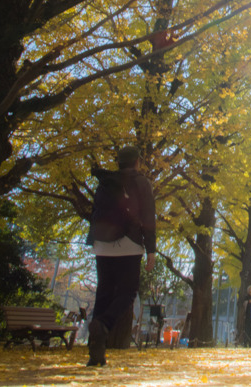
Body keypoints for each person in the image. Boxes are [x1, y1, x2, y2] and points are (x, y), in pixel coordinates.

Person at [86, 145, 157, 367]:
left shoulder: (106, 181)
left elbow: (95, 212)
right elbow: (148, 216)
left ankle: (95, 352)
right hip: (129, 241)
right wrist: (151, 250)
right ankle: (104, 324)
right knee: (128, 292)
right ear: (137, 161)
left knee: (104, 291)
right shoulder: (142, 182)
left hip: (102, 242)